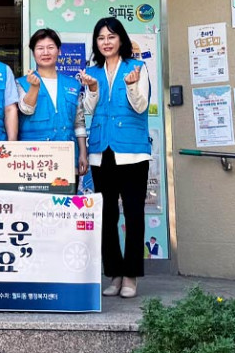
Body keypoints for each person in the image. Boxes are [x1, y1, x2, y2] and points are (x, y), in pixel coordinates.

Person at [75, 16, 151, 299]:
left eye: (111, 36)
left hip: (132, 152)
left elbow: (141, 106)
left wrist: (132, 85)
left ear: (121, 39)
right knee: (106, 216)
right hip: (101, 152)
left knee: (133, 213)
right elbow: (88, 108)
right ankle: (115, 274)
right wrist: (93, 89)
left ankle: (131, 275)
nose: (106, 42)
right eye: (101, 38)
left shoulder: (137, 67)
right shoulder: (92, 72)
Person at [16, 29, 92, 190]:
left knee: (65, 203)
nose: (45, 52)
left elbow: (78, 122)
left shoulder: (73, 84)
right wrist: (34, 87)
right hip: (34, 162)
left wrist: (83, 153)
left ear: (59, 51)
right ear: (33, 52)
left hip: (67, 157)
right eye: (40, 48)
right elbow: (26, 109)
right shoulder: (21, 83)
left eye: (50, 47)